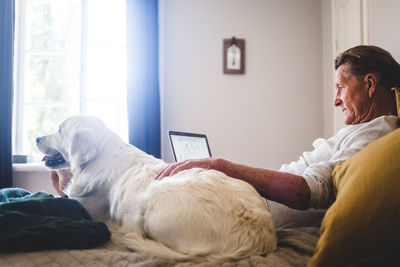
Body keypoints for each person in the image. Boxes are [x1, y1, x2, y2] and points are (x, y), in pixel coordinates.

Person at [50, 45, 400, 214]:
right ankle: (80, 194)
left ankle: (76, 199)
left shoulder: (378, 137)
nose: (336, 101)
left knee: (152, 192)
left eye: (340, 88)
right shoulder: (363, 131)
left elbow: (305, 193)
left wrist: (221, 166)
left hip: (250, 213)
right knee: (160, 179)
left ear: (370, 84)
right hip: (248, 202)